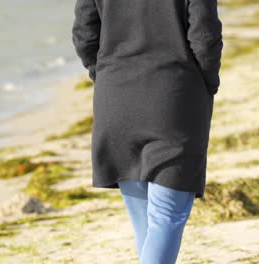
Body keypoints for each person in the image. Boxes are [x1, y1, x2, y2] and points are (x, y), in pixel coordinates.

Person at [72, 0, 223, 263]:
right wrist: (207, 83)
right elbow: (205, 35)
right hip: (174, 97)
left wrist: (106, 75)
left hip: (115, 99)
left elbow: (84, 35)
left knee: (145, 220)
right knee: (166, 216)